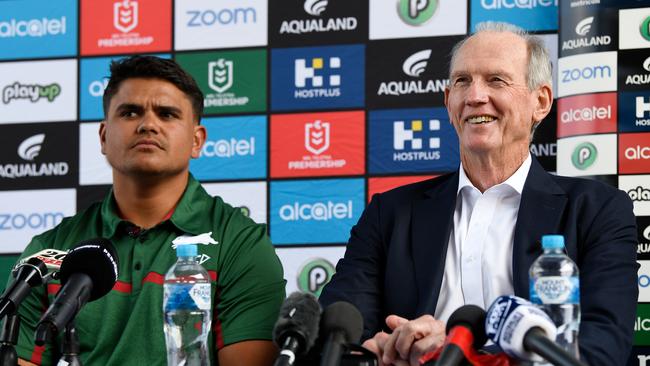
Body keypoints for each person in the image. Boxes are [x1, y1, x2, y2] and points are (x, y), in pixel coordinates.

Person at [319, 22, 638, 366]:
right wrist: (383, 348)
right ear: (448, 102)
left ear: (541, 102)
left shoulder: (597, 210)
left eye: (496, 80)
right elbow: (336, 337)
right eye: (462, 82)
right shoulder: (390, 213)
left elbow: (603, 348)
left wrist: (457, 351)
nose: (474, 96)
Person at [14, 56, 285, 366]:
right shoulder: (48, 251)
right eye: (130, 112)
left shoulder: (241, 244)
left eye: (167, 114)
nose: (148, 124)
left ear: (197, 141)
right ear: (103, 136)